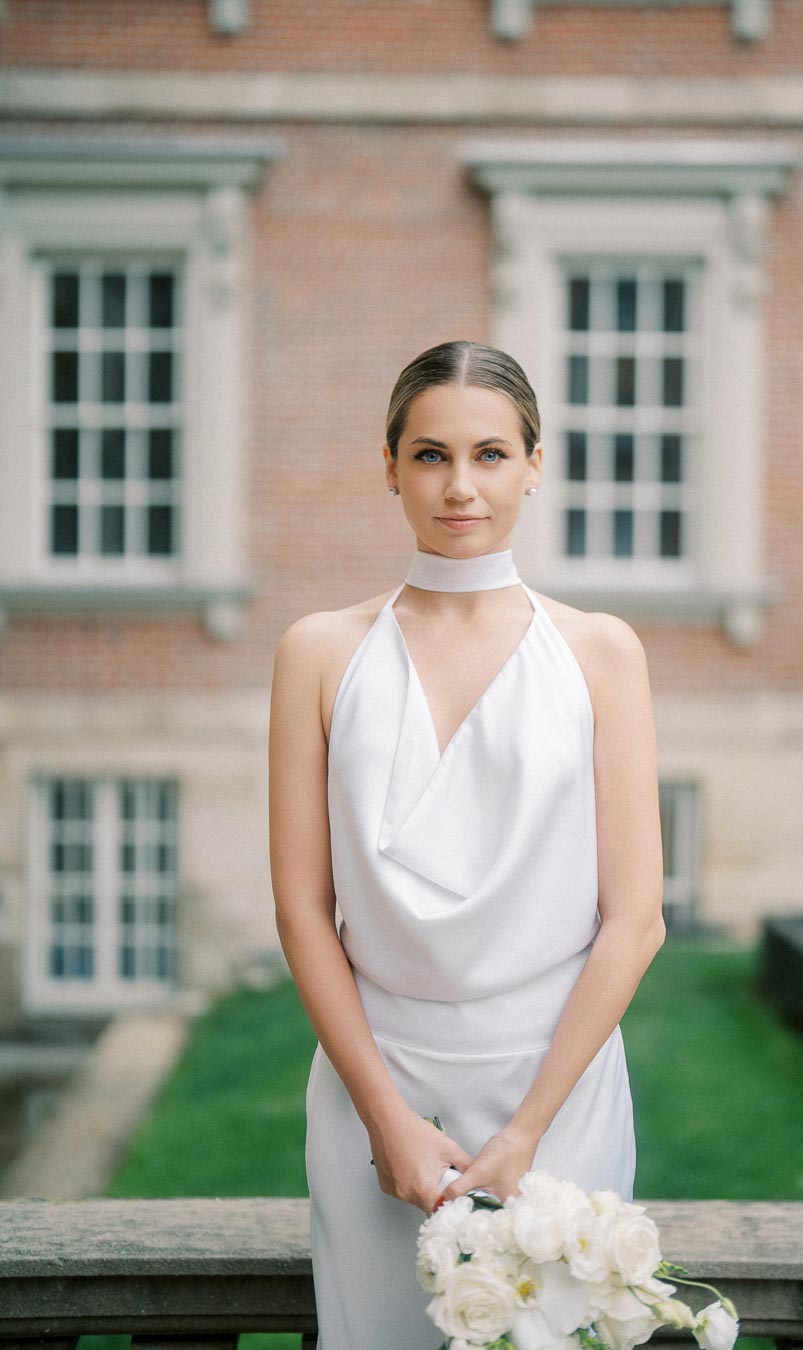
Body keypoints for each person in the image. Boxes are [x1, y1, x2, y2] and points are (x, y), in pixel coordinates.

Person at [268, 340, 666, 1349]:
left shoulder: (601, 653)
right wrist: (382, 1119)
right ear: (390, 465)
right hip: (377, 1090)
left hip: (559, 1093)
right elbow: (303, 911)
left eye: (490, 454)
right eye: (430, 454)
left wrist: (531, 1127)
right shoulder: (319, 653)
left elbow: (636, 920)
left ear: (535, 464)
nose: (460, 486)